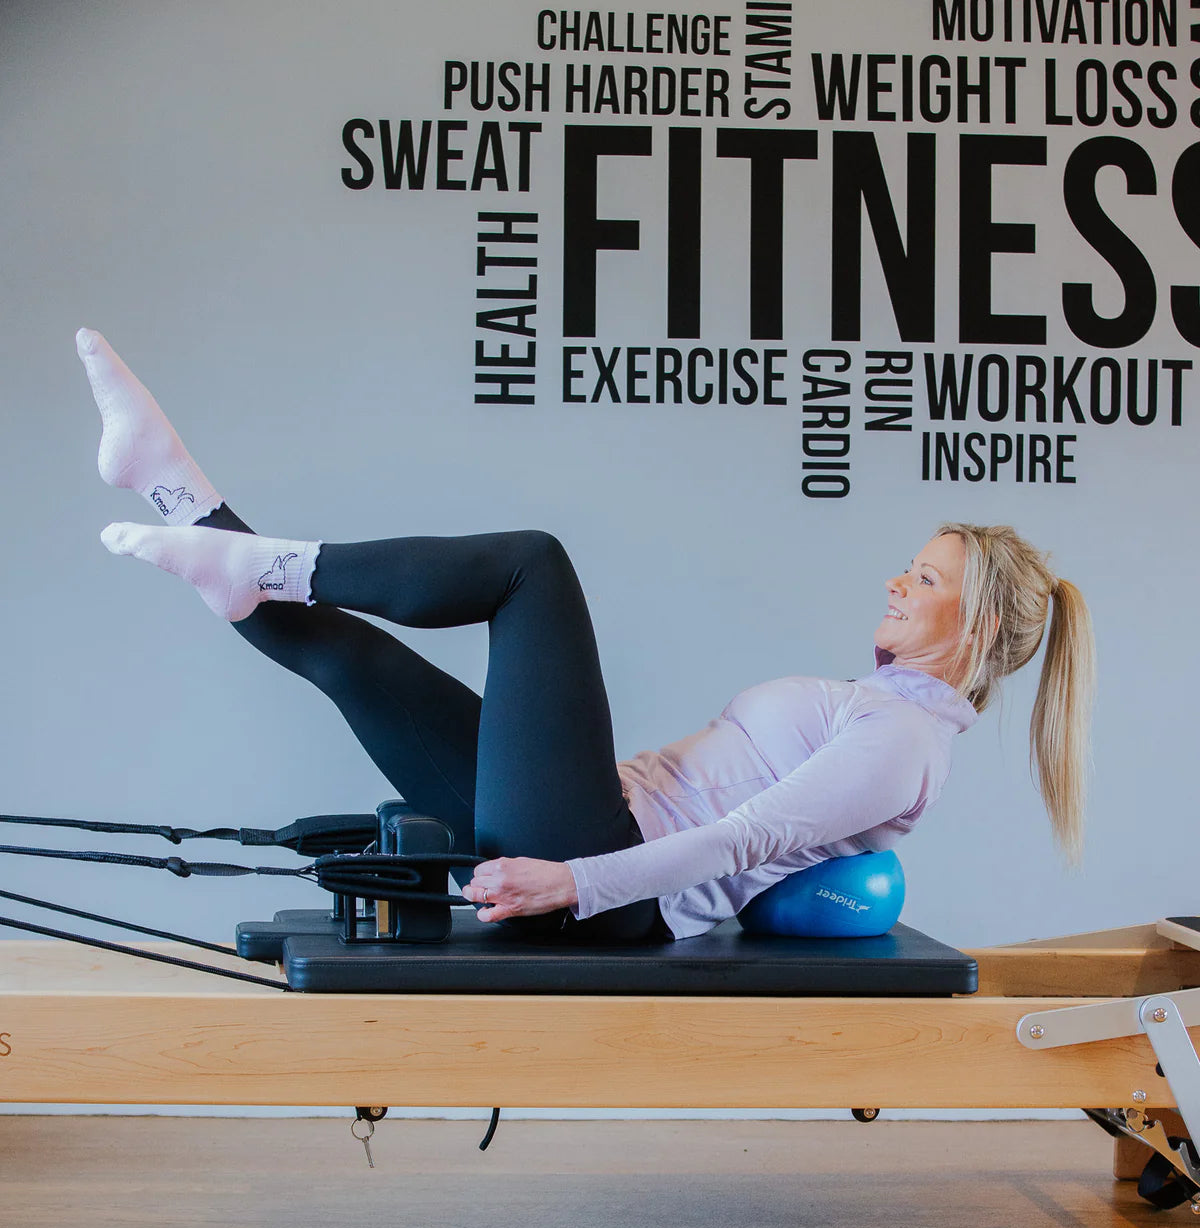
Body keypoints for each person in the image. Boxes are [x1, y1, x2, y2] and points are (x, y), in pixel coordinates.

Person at [75, 329, 1096, 943]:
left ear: (980, 625)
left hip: (603, 878)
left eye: (925, 577)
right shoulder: (875, 709)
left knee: (533, 569)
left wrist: (570, 881)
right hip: (592, 834)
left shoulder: (906, 743)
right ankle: (175, 487)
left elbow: (745, 839)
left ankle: (261, 557)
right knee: (354, 659)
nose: (896, 581)